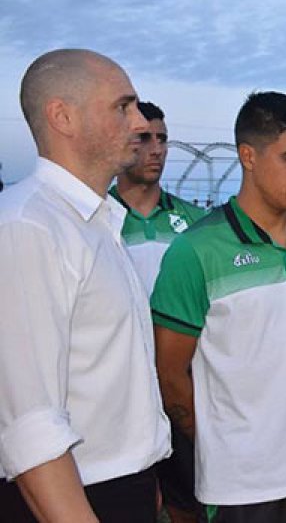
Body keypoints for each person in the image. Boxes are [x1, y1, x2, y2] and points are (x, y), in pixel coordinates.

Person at [151, 91, 286, 522]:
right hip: (245, 485)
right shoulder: (194, 251)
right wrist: (222, 442)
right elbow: (171, 375)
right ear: (248, 156)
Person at [0, 49, 170, 522]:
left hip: (116, 487)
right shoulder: (28, 226)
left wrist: (142, 477)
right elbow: (29, 427)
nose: (139, 122)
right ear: (63, 117)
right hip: (70, 497)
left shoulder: (94, 224)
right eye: (123, 106)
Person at [109, 100, 206, 522]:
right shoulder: (98, 219)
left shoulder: (199, 222)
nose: (157, 149)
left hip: (186, 387)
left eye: (163, 139)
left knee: (194, 504)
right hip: (120, 396)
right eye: (144, 138)